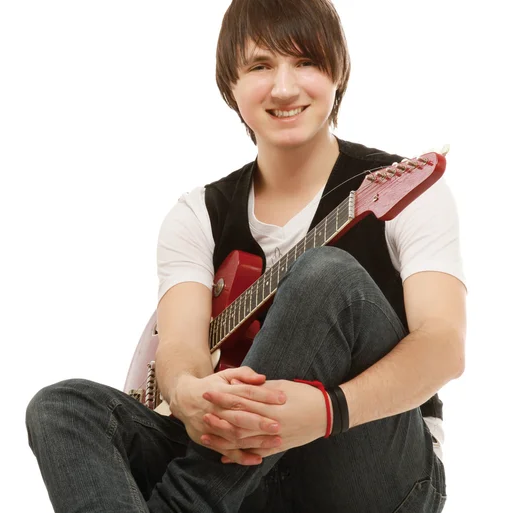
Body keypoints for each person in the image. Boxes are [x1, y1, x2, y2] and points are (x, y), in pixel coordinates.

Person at [25, 0, 466, 511]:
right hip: (238, 469)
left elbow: (444, 346)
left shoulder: (403, 191)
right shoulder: (197, 216)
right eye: (260, 66)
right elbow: (181, 352)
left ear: (338, 72)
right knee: (62, 408)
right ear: (229, 85)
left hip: (362, 462)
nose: (284, 87)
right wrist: (188, 392)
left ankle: (186, 503)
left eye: (306, 62)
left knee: (325, 275)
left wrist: (327, 411)